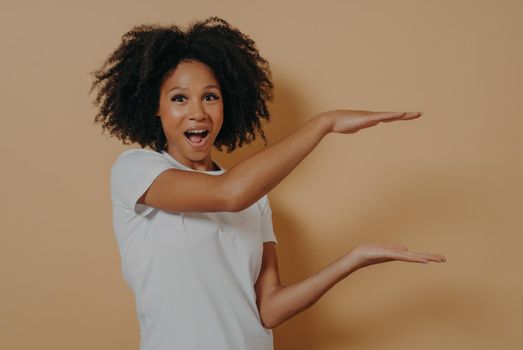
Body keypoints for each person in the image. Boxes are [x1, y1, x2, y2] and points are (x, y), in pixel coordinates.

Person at [90, 16, 446, 350]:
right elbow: (228, 193)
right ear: (156, 107)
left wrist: (352, 260)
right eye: (179, 98)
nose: (197, 112)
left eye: (210, 96)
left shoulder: (257, 200)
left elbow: (269, 309)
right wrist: (324, 123)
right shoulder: (136, 170)